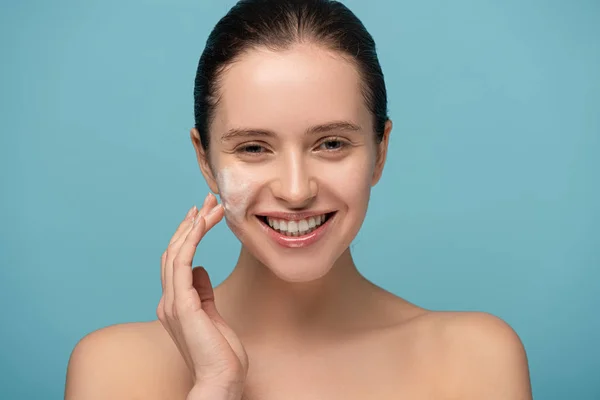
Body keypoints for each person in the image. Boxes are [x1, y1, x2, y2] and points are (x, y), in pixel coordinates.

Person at [65, 0, 533, 399]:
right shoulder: (113, 371)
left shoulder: (476, 361)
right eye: (253, 147)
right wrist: (215, 386)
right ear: (205, 160)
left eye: (331, 143)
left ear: (380, 150)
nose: (295, 190)